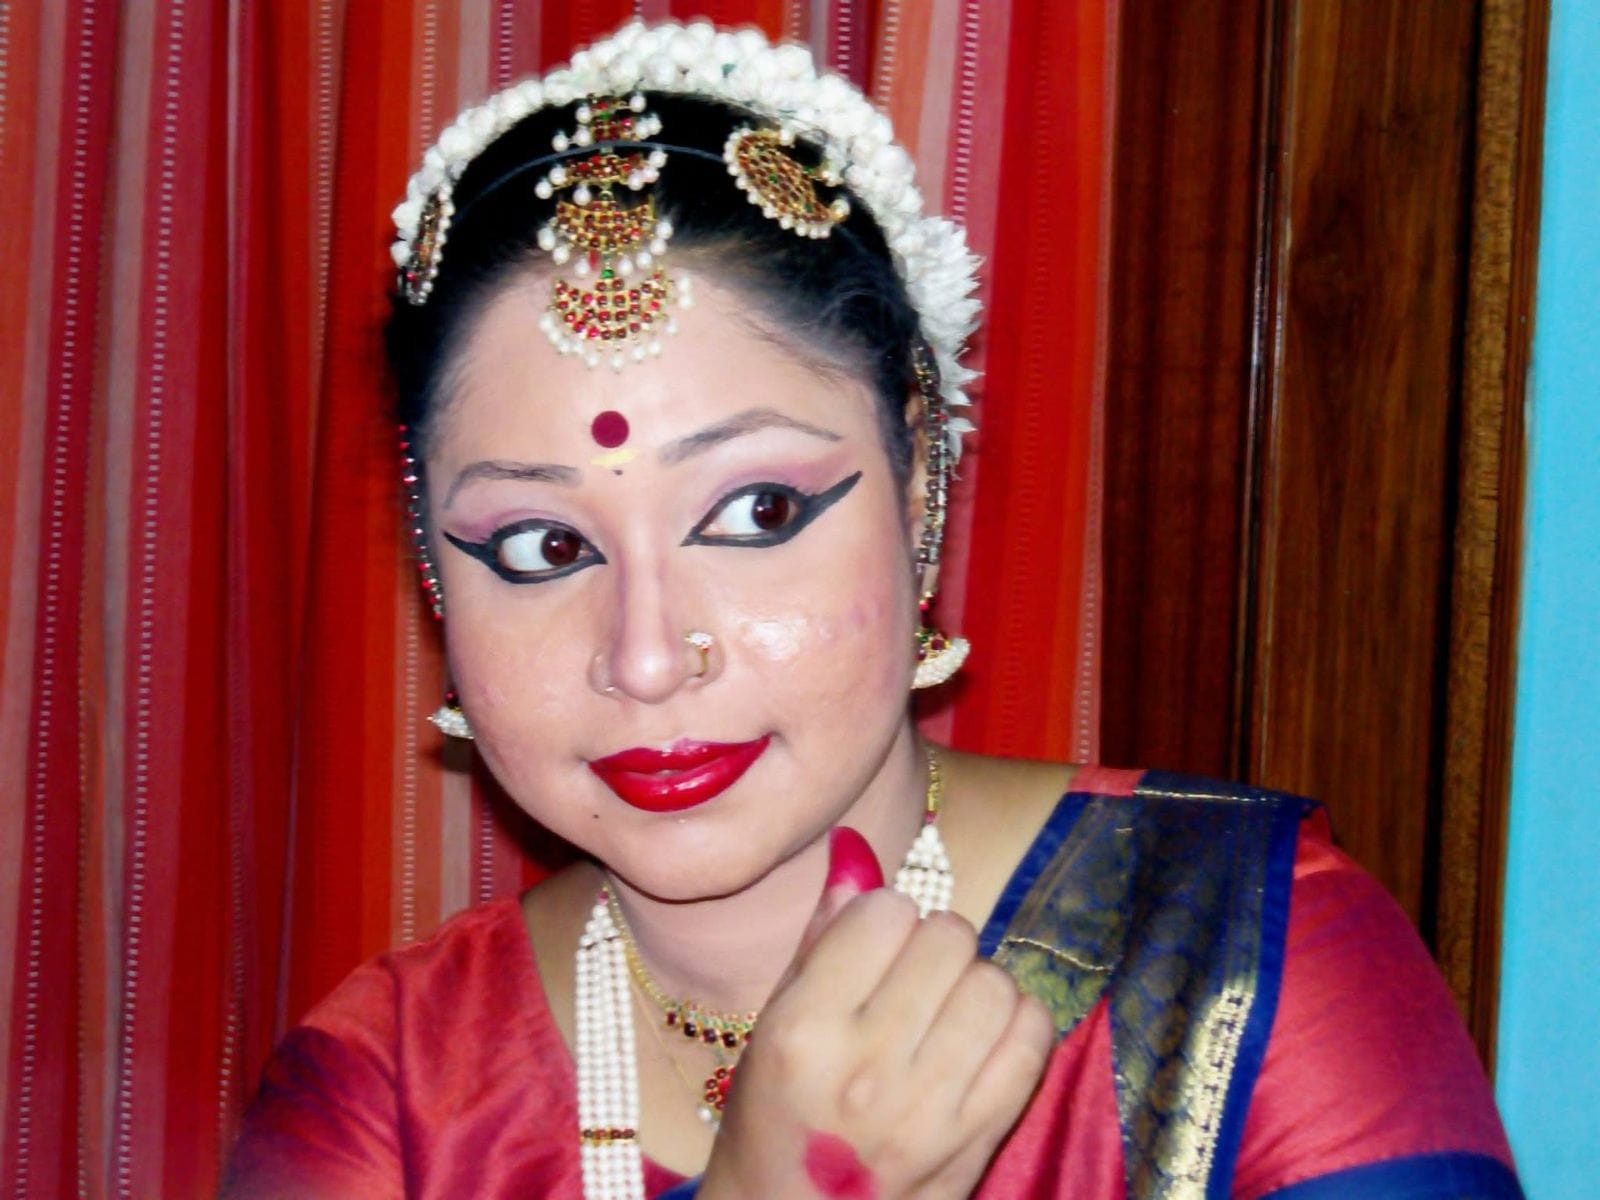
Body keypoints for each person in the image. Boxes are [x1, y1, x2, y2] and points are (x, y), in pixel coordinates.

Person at [225, 21, 1522, 1199]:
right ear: (435, 575)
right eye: (545, 543)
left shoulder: (1241, 963)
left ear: (921, 488)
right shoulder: (385, 1100)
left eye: (758, 516)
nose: (648, 658)